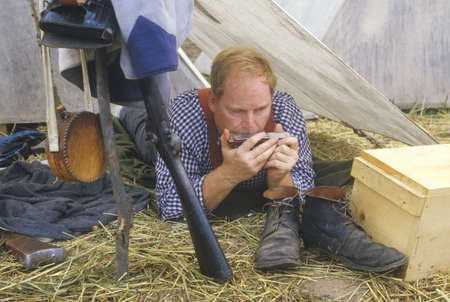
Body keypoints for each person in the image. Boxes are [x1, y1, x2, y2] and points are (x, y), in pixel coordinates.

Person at [120, 45, 407, 272]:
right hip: (153, 131)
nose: (251, 124)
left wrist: (281, 177)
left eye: (260, 109)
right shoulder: (184, 113)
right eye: (237, 111)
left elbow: (303, 184)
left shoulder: (284, 108)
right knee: (139, 123)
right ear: (213, 101)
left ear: (270, 98)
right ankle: (126, 113)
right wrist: (230, 173)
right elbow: (170, 207)